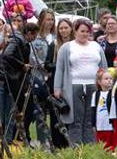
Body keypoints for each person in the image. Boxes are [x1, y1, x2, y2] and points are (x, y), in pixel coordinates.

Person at [54, 19, 107, 144]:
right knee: (76, 120)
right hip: (74, 86)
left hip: (93, 86)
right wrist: (57, 88)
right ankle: (76, 149)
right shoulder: (66, 47)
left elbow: (104, 67)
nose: (84, 34)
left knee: (89, 119)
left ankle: (90, 148)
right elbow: (60, 69)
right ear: (75, 31)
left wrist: (104, 82)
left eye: (87, 32)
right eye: (82, 31)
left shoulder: (96, 46)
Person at [47, 18, 74, 148]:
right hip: (56, 82)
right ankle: (57, 144)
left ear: (71, 28)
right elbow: (47, 64)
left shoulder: (76, 44)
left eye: (66, 27)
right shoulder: (54, 44)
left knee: (71, 111)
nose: (63, 30)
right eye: (61, 28)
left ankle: (71, 142)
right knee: (56, 113)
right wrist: (60, 66)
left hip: (72, 82)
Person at [92, 68, 114, 147]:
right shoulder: (96, 95)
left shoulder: (113, 94)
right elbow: (93, 110)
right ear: (99, 82)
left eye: (111, 79)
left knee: (111, 146)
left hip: (110, 126)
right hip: (100, 126)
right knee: (101, 146)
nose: (109, 80)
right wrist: (93, 125)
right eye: (106, 78)